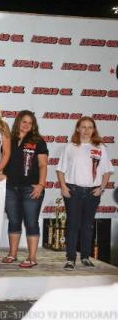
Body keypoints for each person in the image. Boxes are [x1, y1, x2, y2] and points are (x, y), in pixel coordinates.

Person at [56, 116, 114, 270]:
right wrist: (63, 186)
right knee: (73, 225)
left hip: (92, 193)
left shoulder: (100, 147)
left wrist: (101, 188)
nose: (87, 130)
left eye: (90, 127)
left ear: (94, 129)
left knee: (87, 225)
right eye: (83, 127)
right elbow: (60, 170)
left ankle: (85, 257)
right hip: (73, 191)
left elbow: (107, 171)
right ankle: (70, 258)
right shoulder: (70, 147)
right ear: (78, 129)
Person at [2, 110, 48, 268]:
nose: (27, 125)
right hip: (10, 187)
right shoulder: (9, 138)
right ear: (18, 122)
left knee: (31, 222)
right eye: (24, 121)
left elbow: (43, 165)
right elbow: (2, 159)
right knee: (14, 221)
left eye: (30, 122)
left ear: (33, 125)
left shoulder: (38, 141)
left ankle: (32, 257)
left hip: (31, 188)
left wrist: (41, 185)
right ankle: (12, 254)